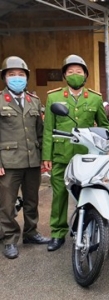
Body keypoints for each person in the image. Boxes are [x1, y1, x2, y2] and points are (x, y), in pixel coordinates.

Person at [42, 54, 109, 251]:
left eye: (78, 71)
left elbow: (104, 128)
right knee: (59, 195)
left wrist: (107, 150)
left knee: (87, 193)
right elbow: (48, 129)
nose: (74, 75)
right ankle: (57, 233)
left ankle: (86, 227)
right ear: (64, 75)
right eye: (70, 71)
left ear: (85, 75)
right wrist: (47, 156)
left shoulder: (96, 98)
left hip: (86, 157)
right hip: (61, 155)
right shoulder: (54, 97)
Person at [0, 56, 51, 259]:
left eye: (20, 75)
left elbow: (41, 133)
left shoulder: (34, 101)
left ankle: (31, 232)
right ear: (4, 78)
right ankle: (10, 239)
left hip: (32, 161)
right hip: (9, 162)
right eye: (12, 75)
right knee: (6, 203)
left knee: (32, 200)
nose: (17, 78)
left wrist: (43, 158)